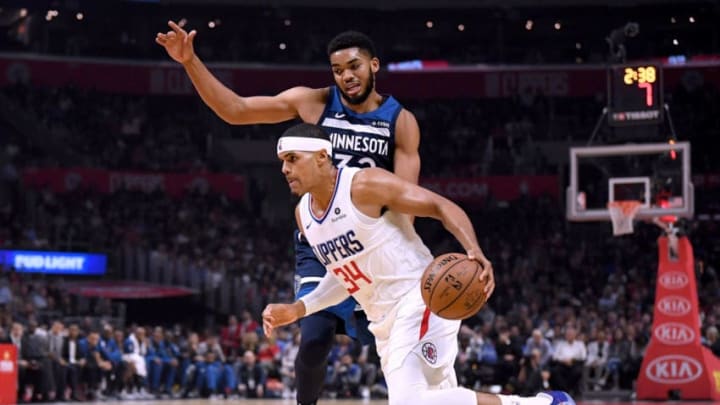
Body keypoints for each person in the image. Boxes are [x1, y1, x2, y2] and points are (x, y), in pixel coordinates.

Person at [157, 23, 420, 405]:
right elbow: (235, 109)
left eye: (354, 66)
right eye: (337, 69)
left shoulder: (401, 121)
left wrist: (395, 255)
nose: (346, 76)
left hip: (372, 248)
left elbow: (406, 203)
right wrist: (190, 61)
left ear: (373, 65)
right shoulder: (313, 102)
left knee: (396, 347)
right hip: (322, 246)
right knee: (314, 339)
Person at [262, 124, 576, 405]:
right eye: (282, 162)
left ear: (321, 157)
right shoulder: (304, 216)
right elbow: (346, 276)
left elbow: (440, 206)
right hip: (383, 321)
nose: (285, 169)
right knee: (435, 400)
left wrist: (473, 249)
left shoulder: (364, 185)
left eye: (292, 158)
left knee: (408, 402)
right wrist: (298, 309)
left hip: (420, 297)